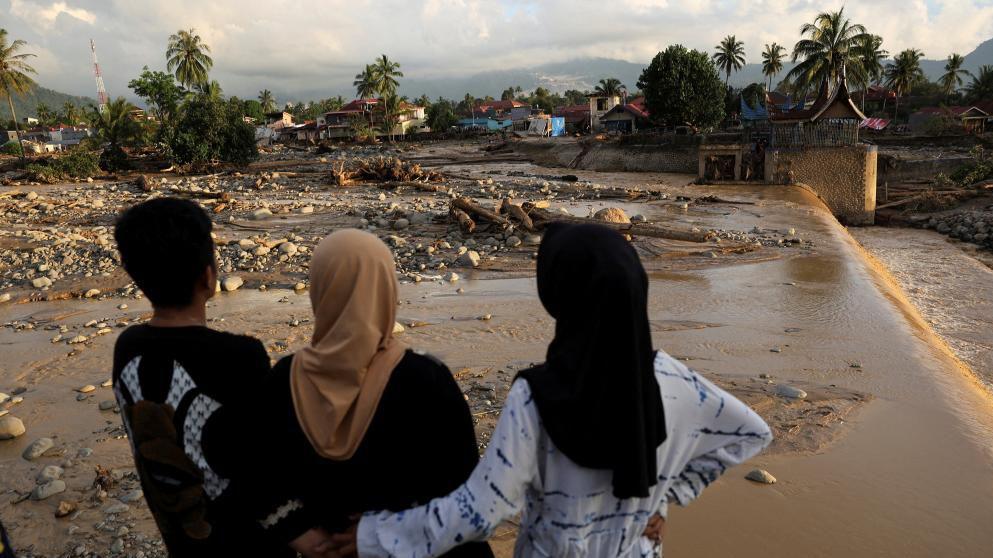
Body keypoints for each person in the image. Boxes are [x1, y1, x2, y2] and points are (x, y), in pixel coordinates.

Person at [351, 223, 773, 557]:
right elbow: (750, 433)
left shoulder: (535, 397)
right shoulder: (676, 380)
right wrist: (663, 500)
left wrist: (368, 536)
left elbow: (480, 512)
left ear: (559, 294)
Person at [244, 229, 493, 558]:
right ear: (387, 292)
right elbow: (467, 503)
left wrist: (298, 532)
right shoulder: (426, 383)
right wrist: (383, 533)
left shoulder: (283, 379)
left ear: (320, 292)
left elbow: (254, 476)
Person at [112, 198, 301, 557]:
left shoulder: (127, 350)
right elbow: (265, 464)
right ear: (208, 276)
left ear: (135, 275)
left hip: (184, 542)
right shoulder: (241, 356)